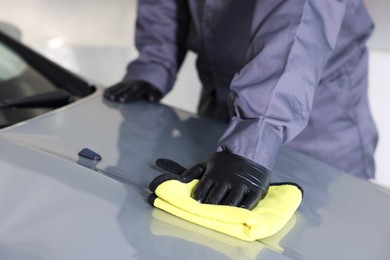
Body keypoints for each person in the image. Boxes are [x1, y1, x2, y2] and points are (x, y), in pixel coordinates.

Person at [104, 0, 378, 210]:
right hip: (221, 113)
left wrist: (258, 130)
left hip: (316, 124)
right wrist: (154, 65)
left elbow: (297, 22)